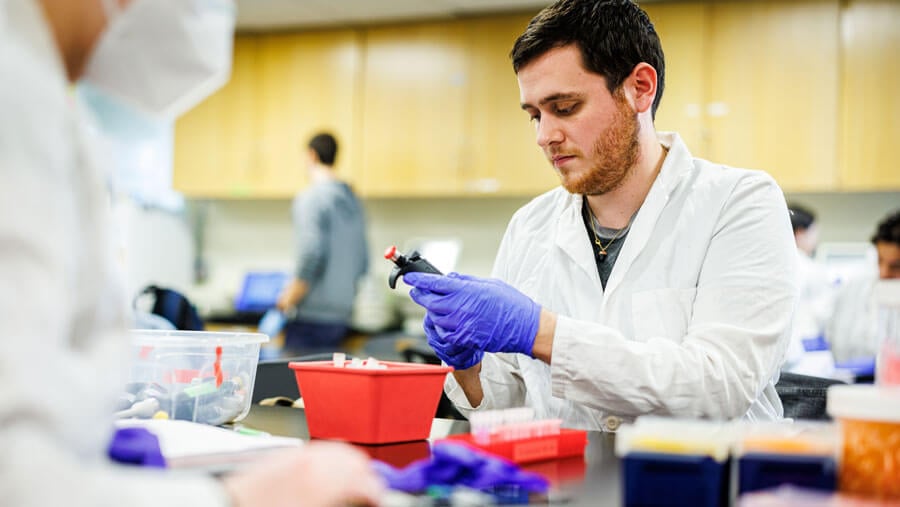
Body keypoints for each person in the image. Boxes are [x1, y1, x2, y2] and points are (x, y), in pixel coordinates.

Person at [0, 1, 383, 506]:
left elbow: (309, 261)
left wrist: (286, 303)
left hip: (310, 315)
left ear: (309, 155)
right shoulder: (18, 98)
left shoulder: (38, 99)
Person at [403, 0, 797, 429]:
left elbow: (720, 385)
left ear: (640, 88)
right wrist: (467, 363)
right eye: (534, 115)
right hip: (565, 491)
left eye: (565, 108)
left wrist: (540, 332)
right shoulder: (530, 226)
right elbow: (508, 403)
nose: (544, 137)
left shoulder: (739, 203)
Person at [276, 132, 369, 352]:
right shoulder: (353, 201)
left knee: (290, 385)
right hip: (342, 316)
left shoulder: (311, 199)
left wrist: (288, 298)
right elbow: (364, 261)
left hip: (311, 318)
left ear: (311, 155)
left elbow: (311, 253)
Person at [827, 209, 900, 363]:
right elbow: (837, 345)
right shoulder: (855, 289)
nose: (883, 272)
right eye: (879, 260)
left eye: (896, 266)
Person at [783, 204, 836, 376]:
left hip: (782, 358)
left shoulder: (770, 265)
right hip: (810, 357)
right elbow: (826, 315)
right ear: (800, 232)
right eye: (814, 232)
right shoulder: (811, 268)